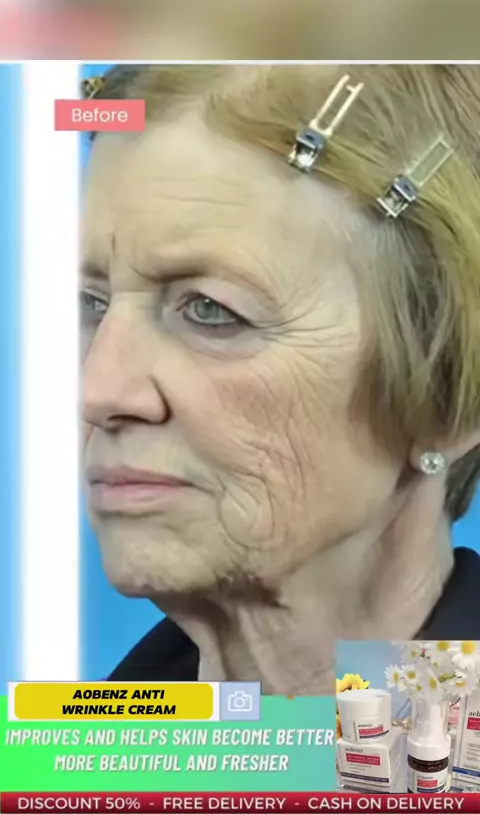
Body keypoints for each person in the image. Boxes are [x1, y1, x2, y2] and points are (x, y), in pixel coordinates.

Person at [82, 65, 480, 694]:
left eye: (211, 310)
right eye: (92, 304)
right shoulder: (89, 741)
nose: (99, 391)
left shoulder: (435, 747)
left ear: (447, 396)